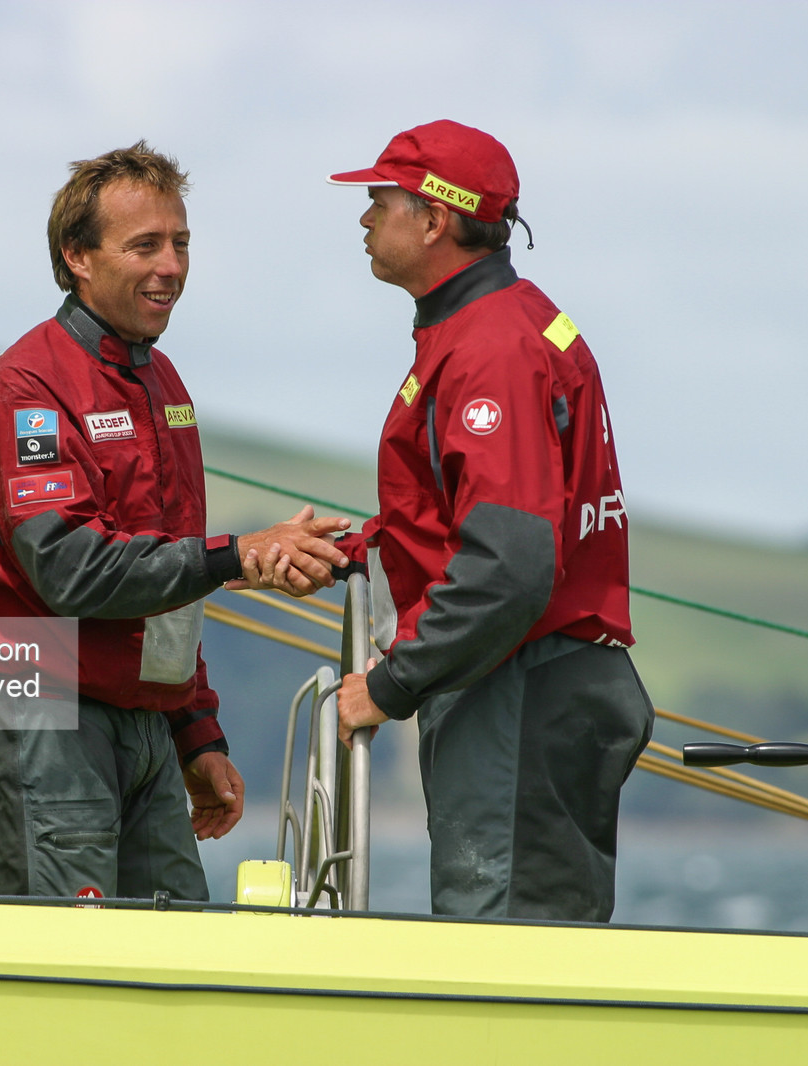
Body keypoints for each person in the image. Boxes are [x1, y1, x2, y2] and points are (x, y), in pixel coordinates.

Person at [0, 140, 350, 900]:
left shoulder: (161, 381)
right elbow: (71, 569)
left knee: (175, 954)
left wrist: (196, 734)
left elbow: (167, 573)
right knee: (64, 981)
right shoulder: (24, 388)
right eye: (145, 245)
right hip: (42, 717)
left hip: (143, 729)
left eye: (181, 243)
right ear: (79, 257)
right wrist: (236, 554)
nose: (171, 265)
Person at [328, 121, 654, 922]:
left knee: (507, 957)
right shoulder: (504, 325)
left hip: (521, 692)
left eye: (379, 200)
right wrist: (358, 545)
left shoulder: (491, 348)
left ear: (435, 219)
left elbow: (509, 563)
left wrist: (392, 686)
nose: (363, 218)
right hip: (538, 683)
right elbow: (479, 515)